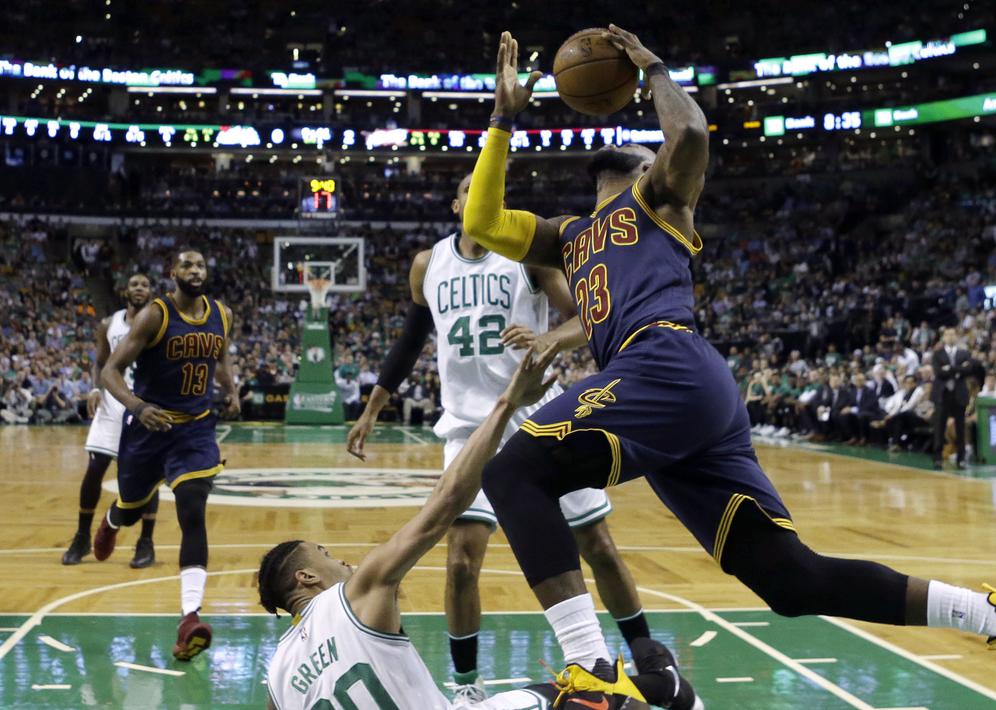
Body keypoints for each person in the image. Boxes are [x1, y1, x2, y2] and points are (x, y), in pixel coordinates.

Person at [458, 28, 996, 709]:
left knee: (511, 471)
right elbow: (482, 218)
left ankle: (590, 667)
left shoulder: (659, 197)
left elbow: (695, 136)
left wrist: (652, 69)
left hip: (665, 362)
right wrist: (502, 118)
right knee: (790, 581)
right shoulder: (569, 235)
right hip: (672, 395)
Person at [345, 175, 650, 702]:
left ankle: (649, 658)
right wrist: (372, 408)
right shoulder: (427, 264)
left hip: (539, 416)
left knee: (597, 544)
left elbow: (592, 315)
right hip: (468, 428)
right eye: (471, 191)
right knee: (461, 560)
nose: (484, 199)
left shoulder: (528, 255)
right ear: (458, 201)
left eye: (496, 194)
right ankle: (465, 686)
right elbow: (412, 339)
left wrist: (550, 337)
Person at [262, 347, 699, 710]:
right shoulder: (354, 594)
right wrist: (509, 400)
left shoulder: (276, 681)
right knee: (597, 697)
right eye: (325, 554)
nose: (339, 558)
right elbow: (447, 501)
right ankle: (667, 687)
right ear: (306, 577)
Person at [93, 249, 240, 661]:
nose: (196, 270)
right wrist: (138, 407)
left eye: (201, 264)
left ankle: (189, 617)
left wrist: (231, 390)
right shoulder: (154, 315)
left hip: (194, 427)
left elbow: (222, 355)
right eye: (188, 265)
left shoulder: (222, 314)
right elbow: (110, 371)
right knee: (132, 508)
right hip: (148, 426)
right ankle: (112, 519)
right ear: (172, 273)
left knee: (192, 507)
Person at [61, 273, 160, 567]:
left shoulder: (159, 323)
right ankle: (81, 538)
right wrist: (94, 388)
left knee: (147, 478)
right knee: (94, 470)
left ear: (151, 292)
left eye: (144, 285)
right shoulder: (108, 324)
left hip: (144, 403)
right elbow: (101, 362)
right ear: (125, 291)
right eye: (135, 285)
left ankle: (145, 543)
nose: (139, 289)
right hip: (112, 402)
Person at [931, 328, 973, 469]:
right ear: (943, 337)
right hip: (942, 394)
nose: (950, 337)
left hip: (958, 394)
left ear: (957, 337)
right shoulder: (937, 354)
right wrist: (958, 369)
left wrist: (950, 368)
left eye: (953, 334)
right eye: (948, 334)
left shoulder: (964, 353)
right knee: (939, 427)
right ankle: (937, 458)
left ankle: (960, 459)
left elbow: (968, 370)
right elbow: (939, 373)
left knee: (960, 428)